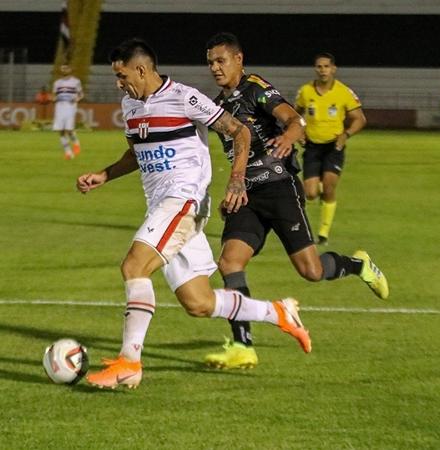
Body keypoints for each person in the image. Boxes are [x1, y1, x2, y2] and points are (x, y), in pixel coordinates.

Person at [76, 38, 312, 390]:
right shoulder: (130, 105)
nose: (119, 83)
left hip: (183, 201)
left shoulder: (185, 98)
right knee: (198, 302)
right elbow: (136, 152)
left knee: (133, 267)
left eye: (122, 75)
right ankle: (277, 312)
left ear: (141, 69)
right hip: (162, 205)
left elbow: (239, 130)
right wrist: (104, 175)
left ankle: (129, 362)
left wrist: (236, 180)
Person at [203, 32, 388, 370]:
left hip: (279, 188)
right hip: (248, 195)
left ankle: (358, 265)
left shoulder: (255, 87)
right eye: (211, 62)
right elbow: (235, 154)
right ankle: (242, 345)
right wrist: (233, 188)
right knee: (229, 262)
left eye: (221, 60)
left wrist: (289, 136)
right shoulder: (218, 106)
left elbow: (295, 119)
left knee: (311, 271)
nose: (215, 68)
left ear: (238, 59)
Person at [294, 53, 367, 246]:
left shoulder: (344, 92)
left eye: (326, 66)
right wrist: (299, 131)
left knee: (329, 187)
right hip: (312, 147)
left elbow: (360, 119)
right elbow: (295, 115)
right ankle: (318, 189)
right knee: (309, 193)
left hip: (334, 146)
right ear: (315, 69)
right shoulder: (305, 91)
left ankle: (323, 234)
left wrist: (346, 134)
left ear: (333, 69)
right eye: (319, 66)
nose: (323, 70)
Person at [52, 64, 83, 160]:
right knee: (60, 131)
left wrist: (76, 99)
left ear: (70, 69)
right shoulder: (57, 83)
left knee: (69, 130)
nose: (64, 69)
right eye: (62, 68)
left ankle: (76, 143)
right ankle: (68, 152)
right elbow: (54, 95)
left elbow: (81, 94)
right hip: (59, 107)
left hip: (70, 107)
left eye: (66, 68)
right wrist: (53, 99)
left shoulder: (75, 82)